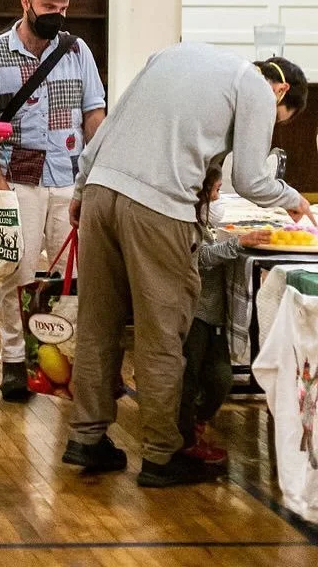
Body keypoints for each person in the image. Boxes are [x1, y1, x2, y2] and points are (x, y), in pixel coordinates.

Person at [64, 43, 313, 489]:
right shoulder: (255, 87)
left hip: (101, 191)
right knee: (163, 333)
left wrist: (82, 189)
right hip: (158, 209)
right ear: (281, 91)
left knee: (97, 324)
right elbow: (252, 178)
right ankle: (162, 455)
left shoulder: (171, 56)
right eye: (277, 123)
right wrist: (292, 199)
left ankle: (87, 437)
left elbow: (106, 130)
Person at [0, 0, 106, 401]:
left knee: (71, 277)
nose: (57, 15)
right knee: (16, 273)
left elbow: (93, 112)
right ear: (26, 3)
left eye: (63, 8)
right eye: (48, 7)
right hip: (17, 179)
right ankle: (12, 362)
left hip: (70, 177)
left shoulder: (78, 51)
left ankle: (61, 361)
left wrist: (96, 170)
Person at [179, 165, 271, 465]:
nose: (219, 197)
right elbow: (200, 258)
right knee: (192, 377)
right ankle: (184, 436)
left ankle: (193, 425)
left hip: (213, 314)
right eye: (217, 190)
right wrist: (238, 243)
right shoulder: (186, 224)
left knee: (220, 377)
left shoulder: (203, 223)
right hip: (195, 313)